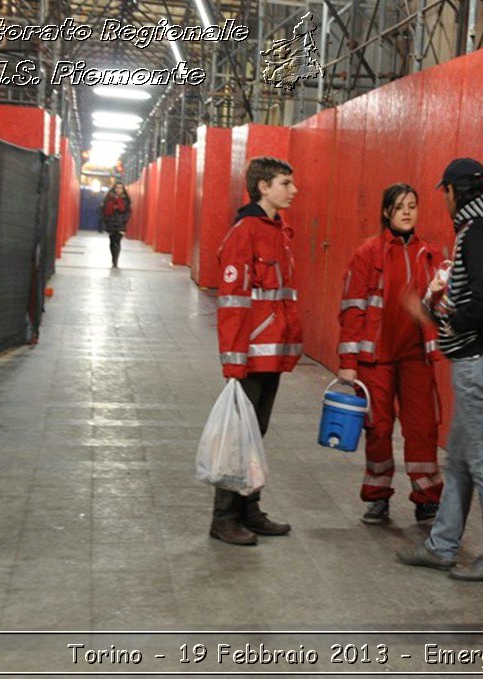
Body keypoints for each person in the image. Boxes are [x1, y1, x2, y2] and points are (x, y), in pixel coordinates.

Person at [396, 158, 483, 582]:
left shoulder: (477, 233)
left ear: (452, 191)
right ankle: (442, 545)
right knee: (461, 461)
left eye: (443, 193)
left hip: (477, 357)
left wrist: (445, 318)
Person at [337, 183, 445, 526]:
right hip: (376, 359)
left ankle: (427, 497)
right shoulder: (367, 253)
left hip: (416, 357)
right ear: (386, 212)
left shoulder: (430, 254)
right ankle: (377, 497)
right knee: (379, 428)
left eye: (413, 205)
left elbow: (443, 307)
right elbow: (352, 309)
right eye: (400, 207)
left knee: (422, 428)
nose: (407, 212)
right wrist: (348, 363)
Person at [210, 156, 302, 546]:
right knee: (238, 437)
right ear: (263, 187)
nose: (293, 190)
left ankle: (250, 509)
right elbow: (232, 302)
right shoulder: (246, 231)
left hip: (270, 353)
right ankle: (224, 517)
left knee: (255, 433)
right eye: (285, 182)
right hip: (248, 357)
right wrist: (233, 362)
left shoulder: (278, 231)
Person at [100, 182, 131, 267]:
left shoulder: (126, 199)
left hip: (121, 223)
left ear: (123, 189)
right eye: (117, 187)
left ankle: (115, 260)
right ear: (114, 188)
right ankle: (113, 258)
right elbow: (102, 210)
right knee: (112, 241)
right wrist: (106, 220)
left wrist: (125, 220)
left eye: (121, 188)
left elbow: (128, 211)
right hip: (111, 223)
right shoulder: (108, 198)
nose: (119, 190)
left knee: (117, 241)